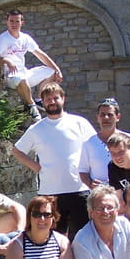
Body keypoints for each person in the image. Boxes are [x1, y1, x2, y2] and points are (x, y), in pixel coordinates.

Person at [12, 83, 95, 239]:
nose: (52, 102)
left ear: (63, 98)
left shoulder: (79, 123)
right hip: (50, 193)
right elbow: (17, 151)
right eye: (48, 99)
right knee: (53, 238)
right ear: (43, 102)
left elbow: (94, 147)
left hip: (79, 189)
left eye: (55, 98)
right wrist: (36, 167)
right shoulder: (36, 129)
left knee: (84, 237)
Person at [0, 9, 63, 122]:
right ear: (7, 22)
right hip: (10, 76)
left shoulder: (25, 38)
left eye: (17, 21)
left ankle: (38, 99)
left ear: (22, 22)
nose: (14, 24)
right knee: (21, 79)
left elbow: (40, 54)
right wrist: (6, 61)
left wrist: (57, 70)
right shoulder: (2, 39)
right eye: (11, 21)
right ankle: (32, 107)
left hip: (23, 73)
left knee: (50, 71)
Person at [79, 97, 130, 189]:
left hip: (126, 193)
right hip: (101, 194)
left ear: (118, 117)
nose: (106, 118)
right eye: (102, 115)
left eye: (110, 115)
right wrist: (90, 183)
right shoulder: (89, 144)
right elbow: (83, 171)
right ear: (97, 118)